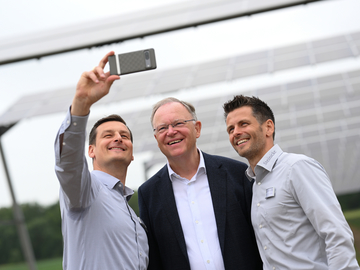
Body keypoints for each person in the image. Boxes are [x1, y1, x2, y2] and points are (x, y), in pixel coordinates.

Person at [223, 94, 360, 270]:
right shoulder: (255, 183)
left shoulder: (296, 168)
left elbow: (337, 234)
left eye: (244, 124)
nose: (236, 132)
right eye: (230, 129)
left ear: (268, 127)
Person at [138, 97, 262, 270]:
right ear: (156, 137)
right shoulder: (148, 193)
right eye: (162, 128)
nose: (171, 132)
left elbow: (260, 236)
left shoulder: (237, 174)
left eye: (178, 123)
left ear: (197, 129)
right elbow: (156, 259)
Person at [54, 51, 148, 270]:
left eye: (124, 136)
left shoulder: (134, 217)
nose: (118, 138)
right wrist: (81, 105)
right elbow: (68, 163)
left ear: (132, 154)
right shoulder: (85, 191)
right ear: (91, 150)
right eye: (108, 135)